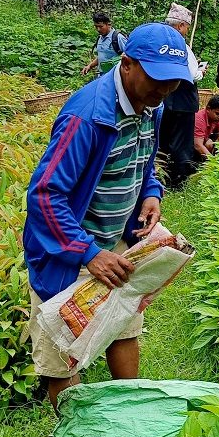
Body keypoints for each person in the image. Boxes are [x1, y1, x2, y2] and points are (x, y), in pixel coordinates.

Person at [23, 22, 190, 412]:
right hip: (69, 250)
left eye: (174, 82)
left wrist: (151, 193)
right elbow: (46, 194)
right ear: (127, 64)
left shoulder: (152, 106)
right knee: (60, 351)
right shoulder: (87, 116)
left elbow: (143, 163)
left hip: (116, 239)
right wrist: (88, 253)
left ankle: (126, 416)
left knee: (123, 323)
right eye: (157, 79)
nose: (164, 90)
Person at [158, 4, 206, 189]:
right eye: (186, 26)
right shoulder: (181, 46)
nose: (186, 29)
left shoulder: (160, 43)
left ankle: (161, 176)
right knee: (180, 142)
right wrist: (201, 71)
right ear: (179, 26)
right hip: (183, 102)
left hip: (164, 100)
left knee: (163, 140)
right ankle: (178, 180)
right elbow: (193, 74)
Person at [81, 12, 127, 78]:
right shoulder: (100, 38)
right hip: (101, 75)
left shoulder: (118, 38)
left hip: (115, 76)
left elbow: (129, 54)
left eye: (101, 26)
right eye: (96, 26)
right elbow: (101, 56)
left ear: (108, 24)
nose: (98, 29)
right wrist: (90, 66)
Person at [193, 94, 219, 162]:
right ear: (208, 109)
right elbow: (197, 145)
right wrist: (214, 163)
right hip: (191, 144)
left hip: (202, 140)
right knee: (209, 143)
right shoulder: (199, 119)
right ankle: (201, 163)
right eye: (217, 114)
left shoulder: (217, 119)